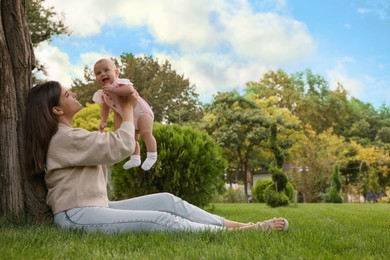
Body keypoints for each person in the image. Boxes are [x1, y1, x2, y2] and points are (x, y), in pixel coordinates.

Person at [24, 81, 289, 234]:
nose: (73, 93)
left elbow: (114, 147)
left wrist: (119, 110)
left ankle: (240, 224)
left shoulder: (71, 136)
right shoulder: (64, 139)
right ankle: (241, 233)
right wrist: (128, 107)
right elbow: (123, 145)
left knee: (167, 201)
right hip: (76, 215)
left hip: (94, 207)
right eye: (67, 94)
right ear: (57, 109)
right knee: (160, 220)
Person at [92, 58, 157, 171]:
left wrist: (112, 89)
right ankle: (135, 158)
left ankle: (152, 155)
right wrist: (103, 120)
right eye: (98, 73)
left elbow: (130, 91)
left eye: (106, 70)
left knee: (146, 132)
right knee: (132, 138)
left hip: (141, 112)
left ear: (116, 73)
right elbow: (105, 107)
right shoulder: (104, 94)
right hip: (130, 117)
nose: (102, 74)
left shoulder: (120, 84)